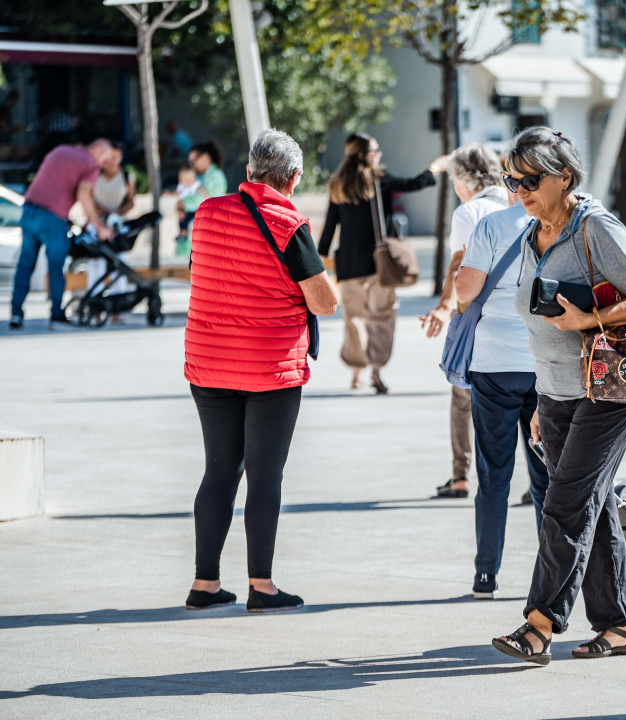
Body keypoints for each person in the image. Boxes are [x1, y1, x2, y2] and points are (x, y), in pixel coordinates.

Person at [492, 127, 626, 665]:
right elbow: (538, 327)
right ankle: (621, 624)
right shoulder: (529, 236)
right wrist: (541, 399)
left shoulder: (595, 227)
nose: (520, 190)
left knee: (564, 505)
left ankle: (540, 624)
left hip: (607, 389)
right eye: (511, 180)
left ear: (564, 176)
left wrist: (589, 318)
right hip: (557, 393)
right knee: (594, 505)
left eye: (530, 179)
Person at [183, 129, 339, 613]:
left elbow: (203, 270)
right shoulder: (290, 223)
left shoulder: (207, 213)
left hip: (209, 363)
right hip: (269, 367)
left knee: (218, 471)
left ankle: (204, 584)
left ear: (249, 172)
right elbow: (324, 302)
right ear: (292, 179)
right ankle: (262, 586)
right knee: (265, 475)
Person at [422, 144, 549, 599]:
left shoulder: (491, 224)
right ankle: (550, 573)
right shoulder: (561, 225)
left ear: (512, 184)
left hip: (494, 365)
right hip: (545, 366)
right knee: (546, 476)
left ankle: (485, 575)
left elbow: (465, 293)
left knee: (494, 474)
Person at [319, 132, 447, 393]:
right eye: (374, 151)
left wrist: (319, 258)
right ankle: (376, 369)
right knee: (381, 317)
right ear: (362, 154)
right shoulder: (379, 180)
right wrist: (437, 167)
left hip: (349, 264)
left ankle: (356, 373)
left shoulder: (337, 184)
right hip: (380, 264)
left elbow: (331, 225)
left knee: (353, 318)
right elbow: (415, 183)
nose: (379, 155)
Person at [9, 138, 114, 330]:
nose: (104, 165)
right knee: (56, 266)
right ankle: (56, 315)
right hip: (53, 217)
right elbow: (84, 194)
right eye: (105, 160)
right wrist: (99, 227)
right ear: (97, 150)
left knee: (25, 264)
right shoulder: (90, 164)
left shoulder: (60, 149)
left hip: (29, 210)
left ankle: (16, 313)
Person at [86, 144, 136, 320]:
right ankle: (95, 308)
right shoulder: (94, 175)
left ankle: (117, 309)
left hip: (116, 224)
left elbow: (131, 201)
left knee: (119, 264)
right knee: (96, 264)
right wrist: (99, 212)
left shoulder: (127, 176)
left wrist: (116, 212)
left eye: (116, 157)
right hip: (96, 223)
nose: (112, 161)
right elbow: (88, 198)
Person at [174, 166, 201, 256]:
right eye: (185, 180)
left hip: (195, 210)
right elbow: (178, 198)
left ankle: (185, 234)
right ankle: (182, 233)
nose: (188, 182)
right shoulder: (181, 187)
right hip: (185, 210)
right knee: (182, 220)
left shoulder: (196, 185)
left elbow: (201, 190)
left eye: (190, 179)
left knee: (190, 222)